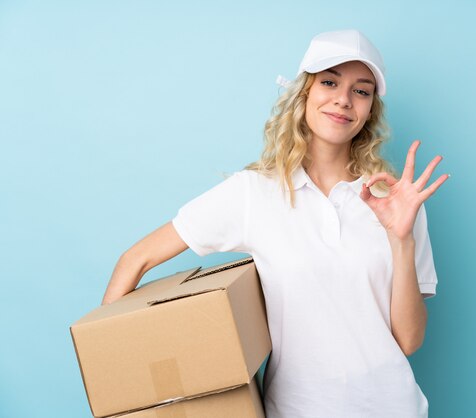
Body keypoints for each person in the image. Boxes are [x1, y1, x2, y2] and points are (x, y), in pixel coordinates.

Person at [102, 29, 449, 418]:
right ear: (304, 93)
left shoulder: (397, 202)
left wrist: (401, 239)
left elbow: (408, 340)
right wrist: (114, 366)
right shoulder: (255, 194)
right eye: (329, 82)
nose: (343, 99)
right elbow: (136, 258)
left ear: (370, 109)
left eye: (361, 90)